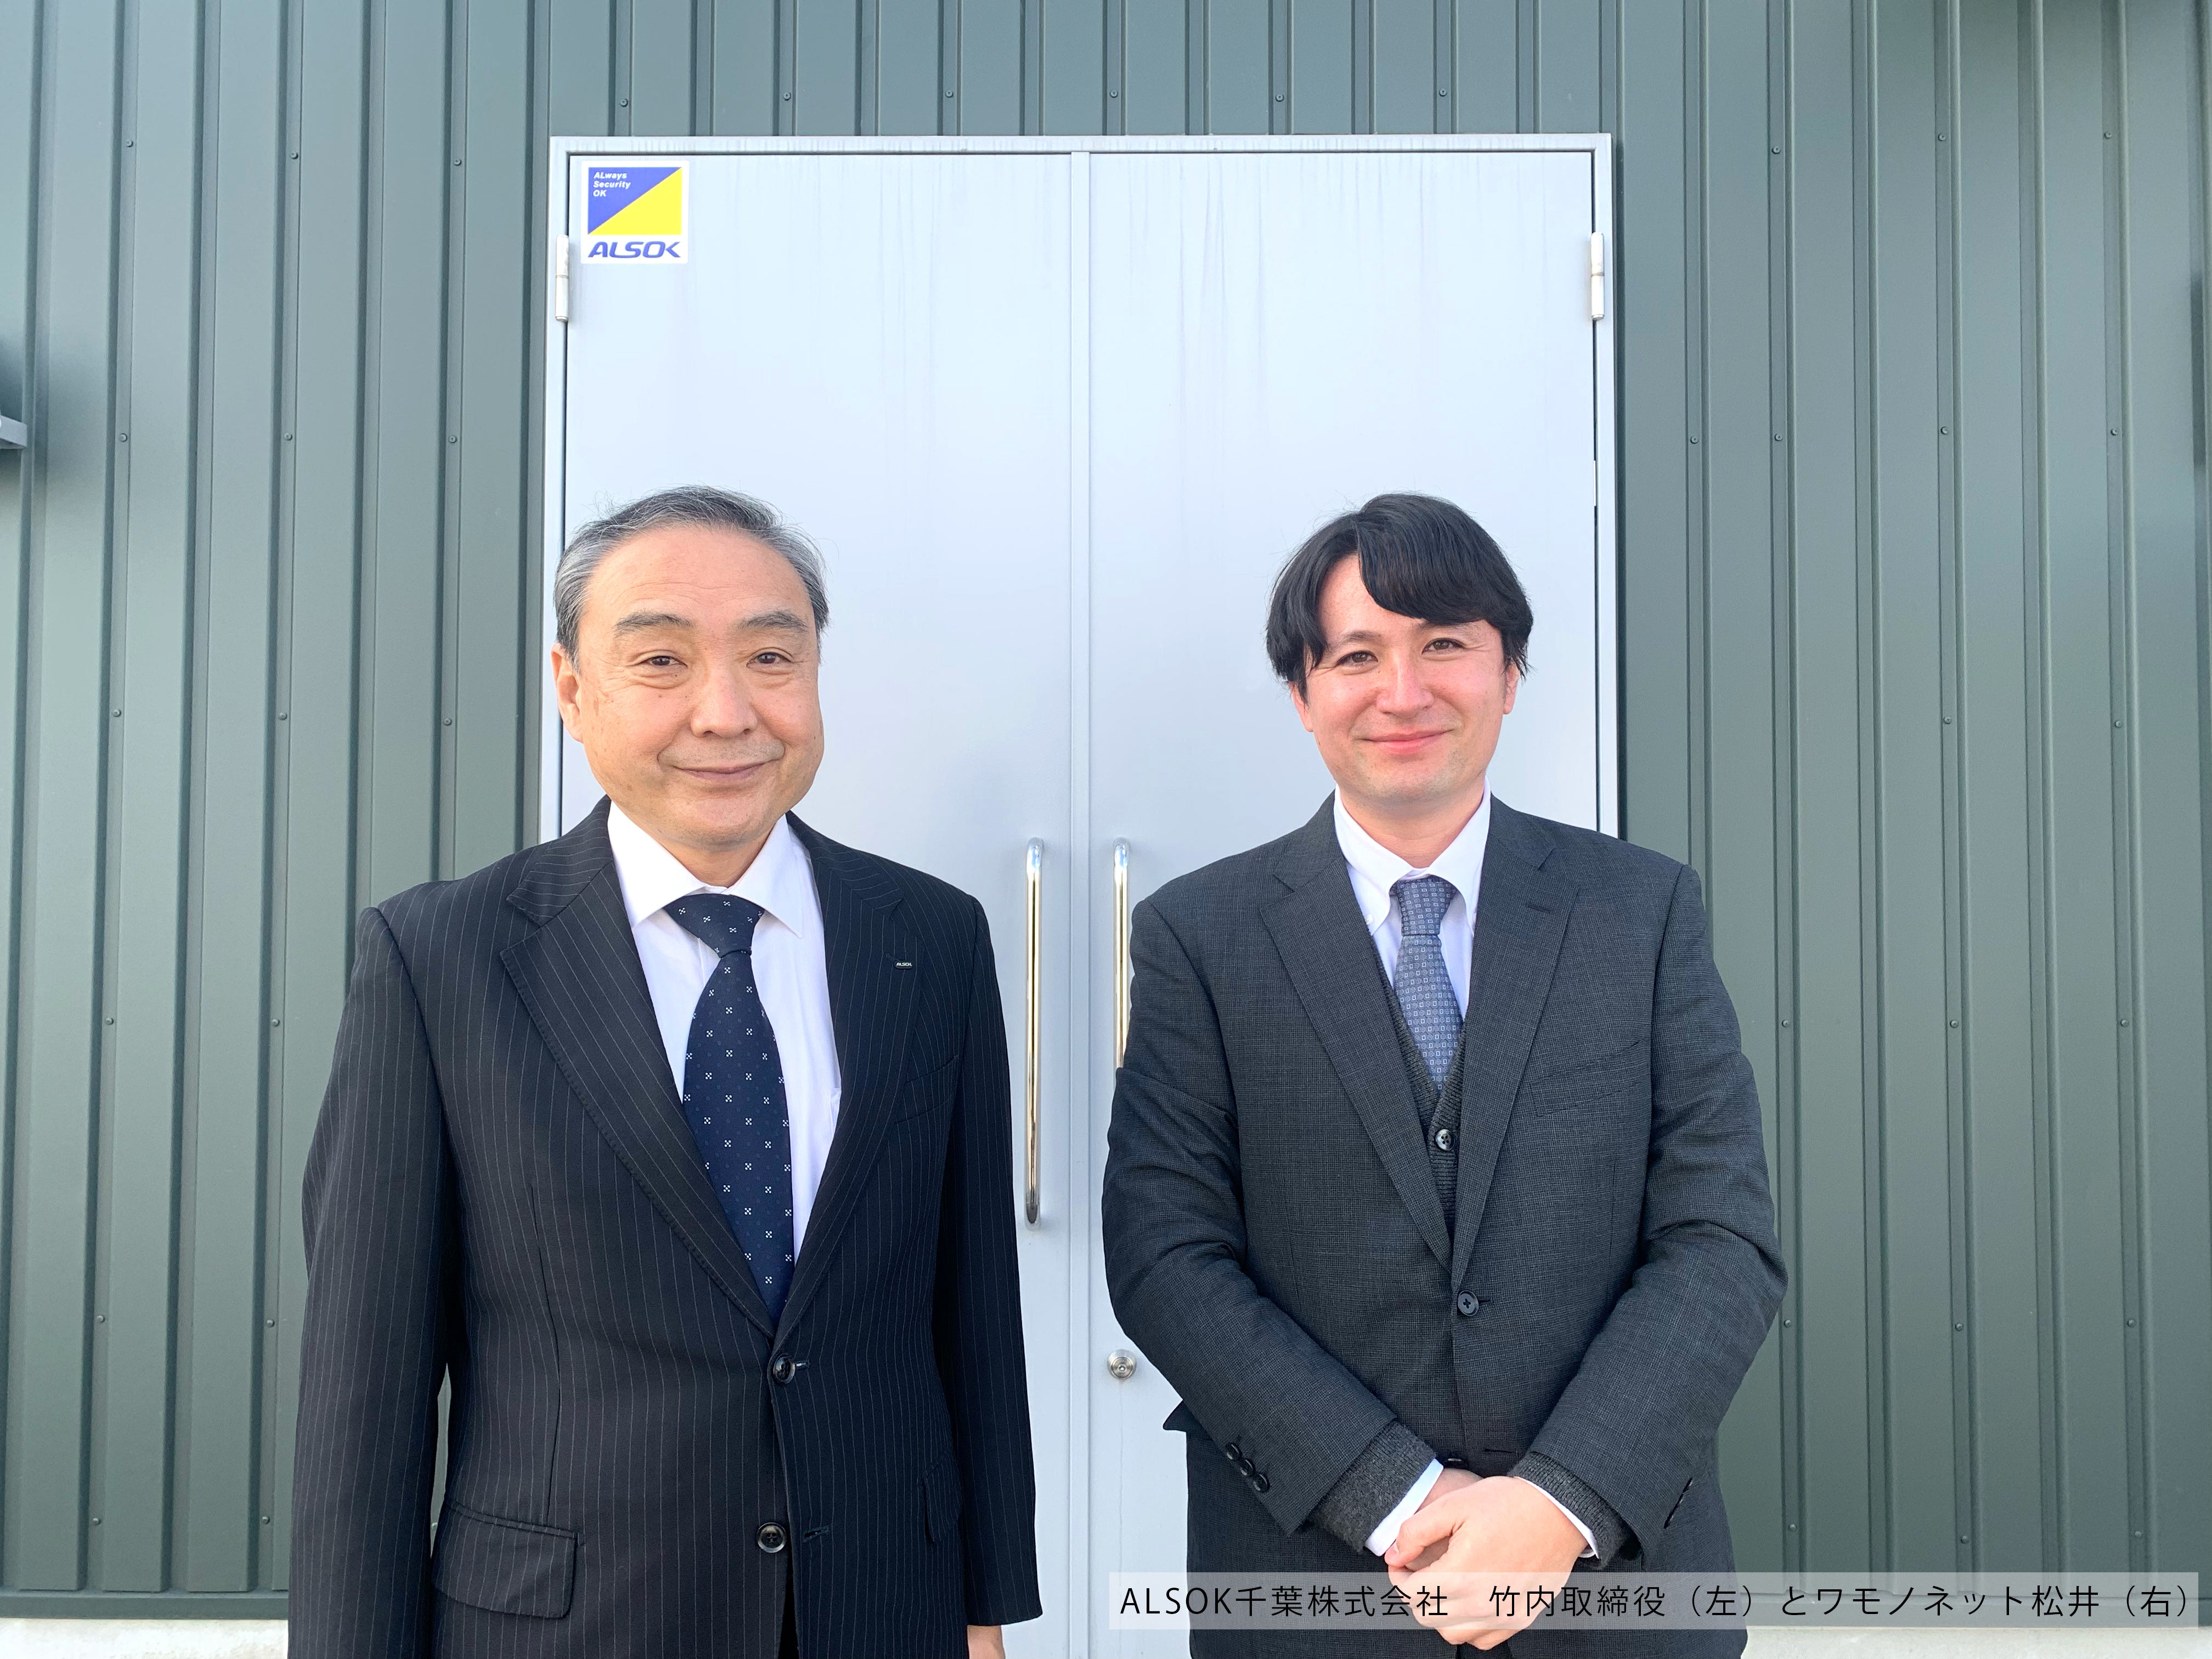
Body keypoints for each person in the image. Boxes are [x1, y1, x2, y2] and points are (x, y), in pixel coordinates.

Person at [291, 487, 1040, 1659]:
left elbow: (973, 1313)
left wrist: (986, 1608)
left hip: (880, 1608)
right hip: (565, 1626)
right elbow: (364, 1389)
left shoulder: (930, 939)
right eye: (661, 660)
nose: (727, 712)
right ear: (571, 687)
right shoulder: (441, 957)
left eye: (771, 657)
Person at [1102, 493, 1786, 1655]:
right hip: (1313, 1591)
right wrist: (1404, 1498)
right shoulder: (1199, 938)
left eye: (1446, 646)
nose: (1404, 692)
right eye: (1357, 656)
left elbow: (1720, 1236)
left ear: (1509, 674)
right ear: (1303, 693)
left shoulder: (1640, 911)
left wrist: (1557, 1502)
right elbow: (1167, 1257)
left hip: (1613, 1586)